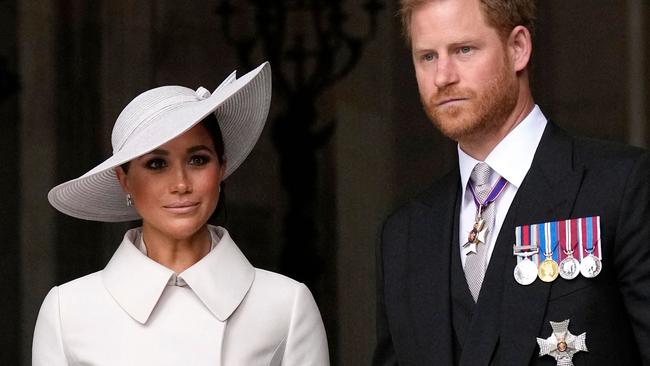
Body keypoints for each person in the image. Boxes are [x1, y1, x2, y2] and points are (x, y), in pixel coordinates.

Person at [373, 1, 650, 365]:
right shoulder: (404, 234)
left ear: (518, 47)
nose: (442, 76)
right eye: (427, 57)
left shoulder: (623, 186)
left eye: (463, 50)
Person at [33, 62, 330, 365]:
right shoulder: (67, 312)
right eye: (156, 164)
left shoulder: (286, 305)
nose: (181, 184)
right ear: (124, 180)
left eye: (198, 160)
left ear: (222, 167)